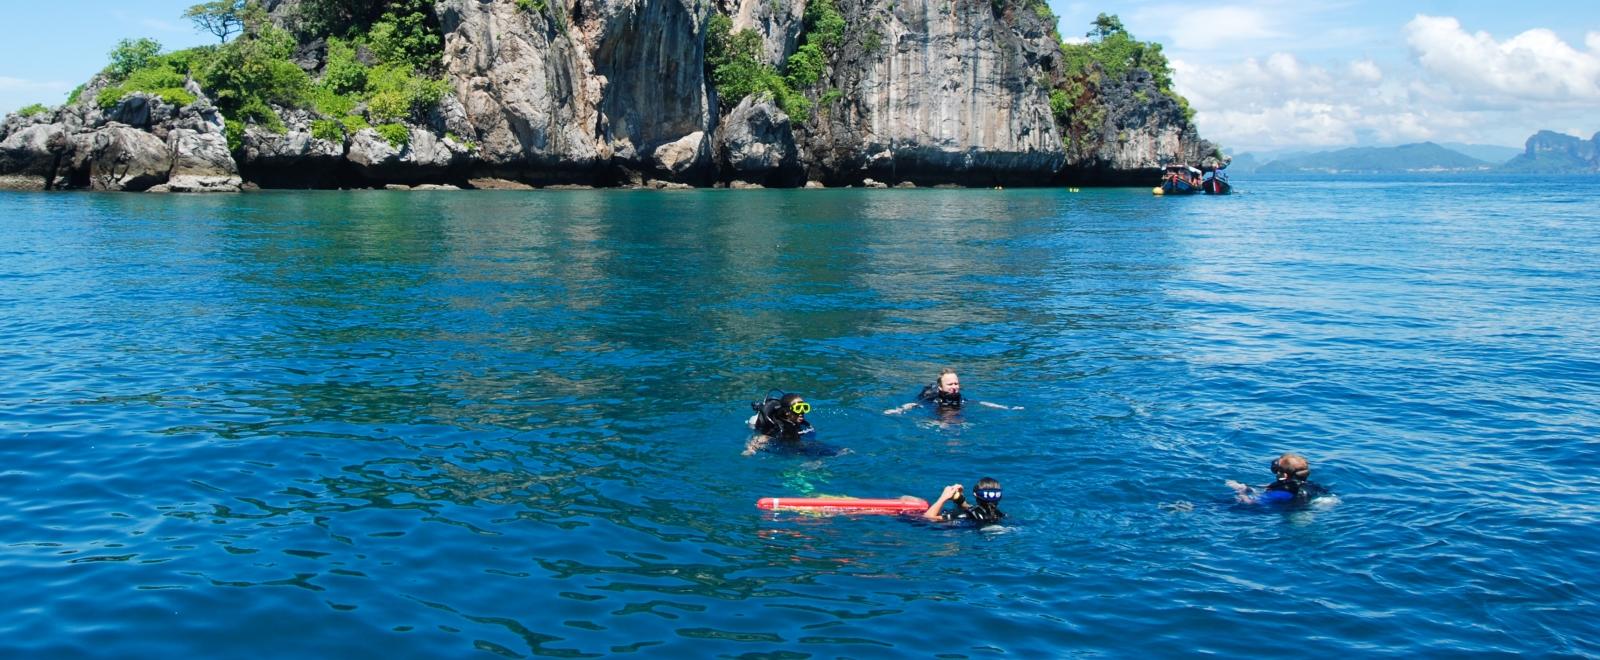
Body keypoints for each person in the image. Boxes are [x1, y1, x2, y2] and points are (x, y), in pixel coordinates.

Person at [885, 368, 1020, 415]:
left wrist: (1007, 408)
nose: (954, 386)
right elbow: (913, 404)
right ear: (940, 387)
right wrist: (898, 410)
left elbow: (981, 403)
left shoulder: (960, 398)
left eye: (956, 383)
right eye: (950, 384)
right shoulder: (933, 398)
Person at [1227, 452, 1331, 505]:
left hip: (1293, 514)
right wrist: (1249, 487)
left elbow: (1250, 503)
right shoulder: (1313, 485)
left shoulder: (1281, 493)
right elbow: (1277, 486)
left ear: (1284, 476)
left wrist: (1241, 492)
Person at [743, 391, 815, 455]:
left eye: (805, 407)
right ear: (787, 412)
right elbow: (762, 437)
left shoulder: (801, 423)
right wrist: (750, 450)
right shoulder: (779, 426)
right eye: (798, 408)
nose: (802, 412)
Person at [922, 477, 1005, 525]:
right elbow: (972, 508)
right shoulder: (999, 515)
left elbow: (928, 518)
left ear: (975, 494)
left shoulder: (963, 516)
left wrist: (943, 497)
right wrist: (960, 500)